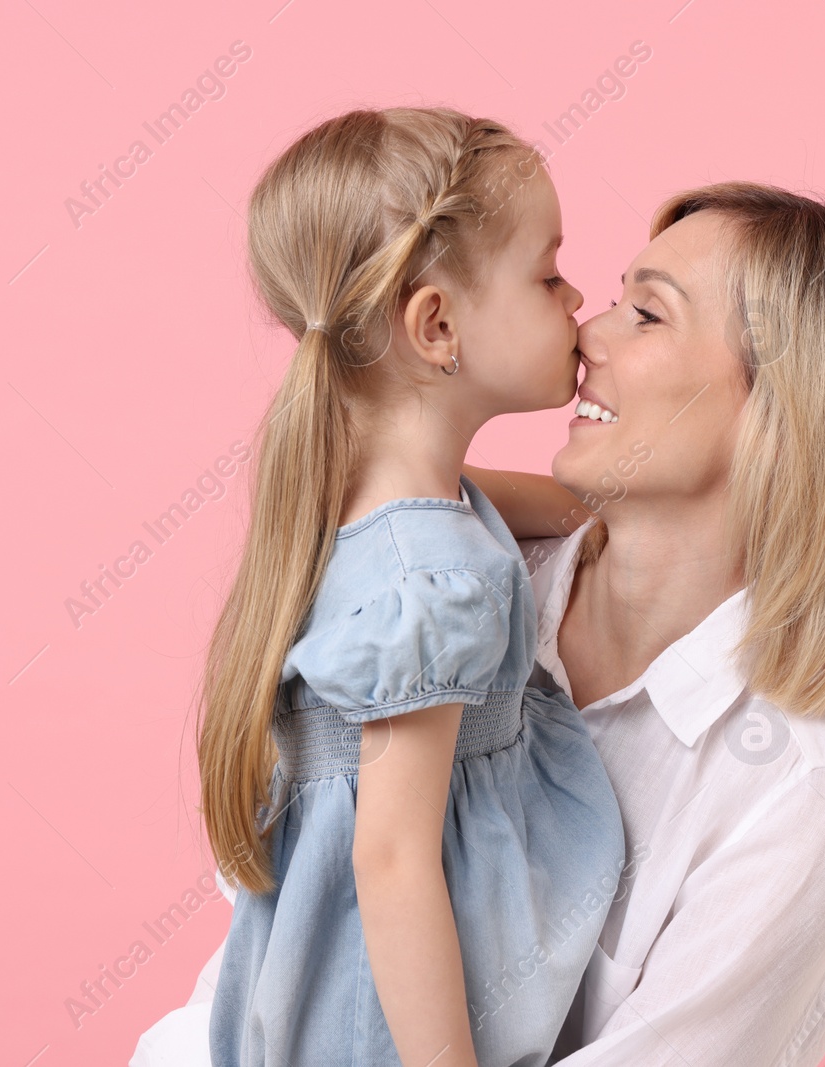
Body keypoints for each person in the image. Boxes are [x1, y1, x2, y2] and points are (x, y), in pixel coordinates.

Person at [137, 176, 825, 1066]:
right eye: (609, 296)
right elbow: (276, 957)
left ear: (788, 412)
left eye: (646, 315)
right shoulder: (443, 597)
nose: (586, 333)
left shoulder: (803, 792)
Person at [195, 106, 625, 1067]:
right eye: (548, 272)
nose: (578, 297)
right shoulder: (434, 583)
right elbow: (391, 863)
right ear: (436, 325)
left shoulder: (367, 505)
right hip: (383, 1030)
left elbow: (558, 502)